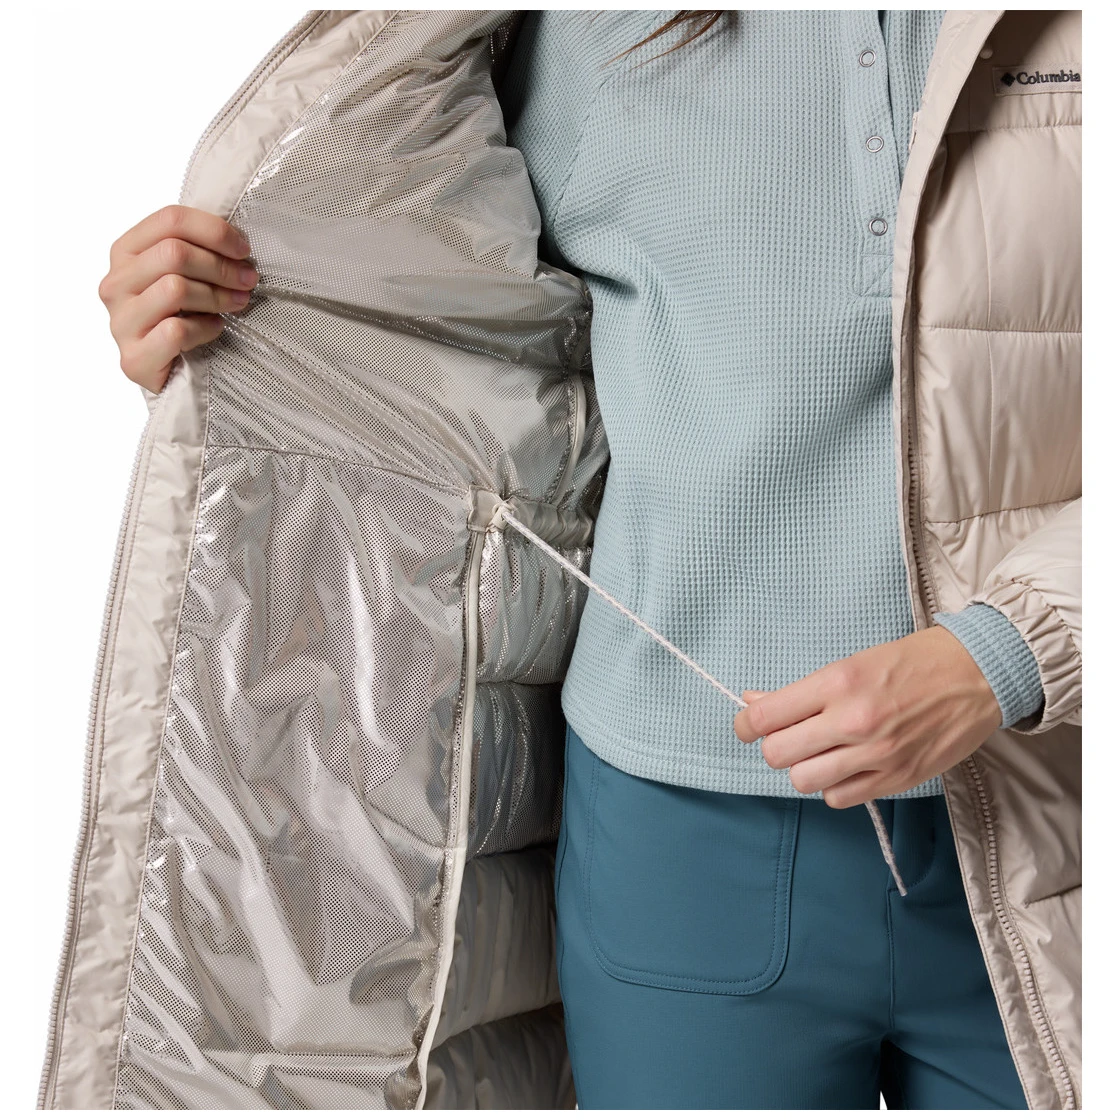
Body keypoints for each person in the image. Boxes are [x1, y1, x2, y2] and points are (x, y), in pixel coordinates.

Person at [94, 9, 1080, 1110]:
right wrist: (230, 334)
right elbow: (447, 342)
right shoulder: (579, 28)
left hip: (1062, 798)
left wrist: (1010, 651)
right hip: (674, 846)